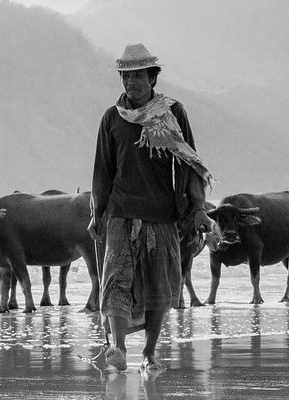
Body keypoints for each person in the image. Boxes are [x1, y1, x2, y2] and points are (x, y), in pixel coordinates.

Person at [87, 43, 214, 372]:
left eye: (138, 75)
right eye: (126, 76)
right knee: (116, 279)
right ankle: (117, 347)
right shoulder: (112, 118)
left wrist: (197, 206)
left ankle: (150, 352)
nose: (131, 82)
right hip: (120, 211)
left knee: (161, 286)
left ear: (152, 77)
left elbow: (190, 161)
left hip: (161, 213)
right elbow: (103, 171)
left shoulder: (172, 112)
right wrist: (95, 212)